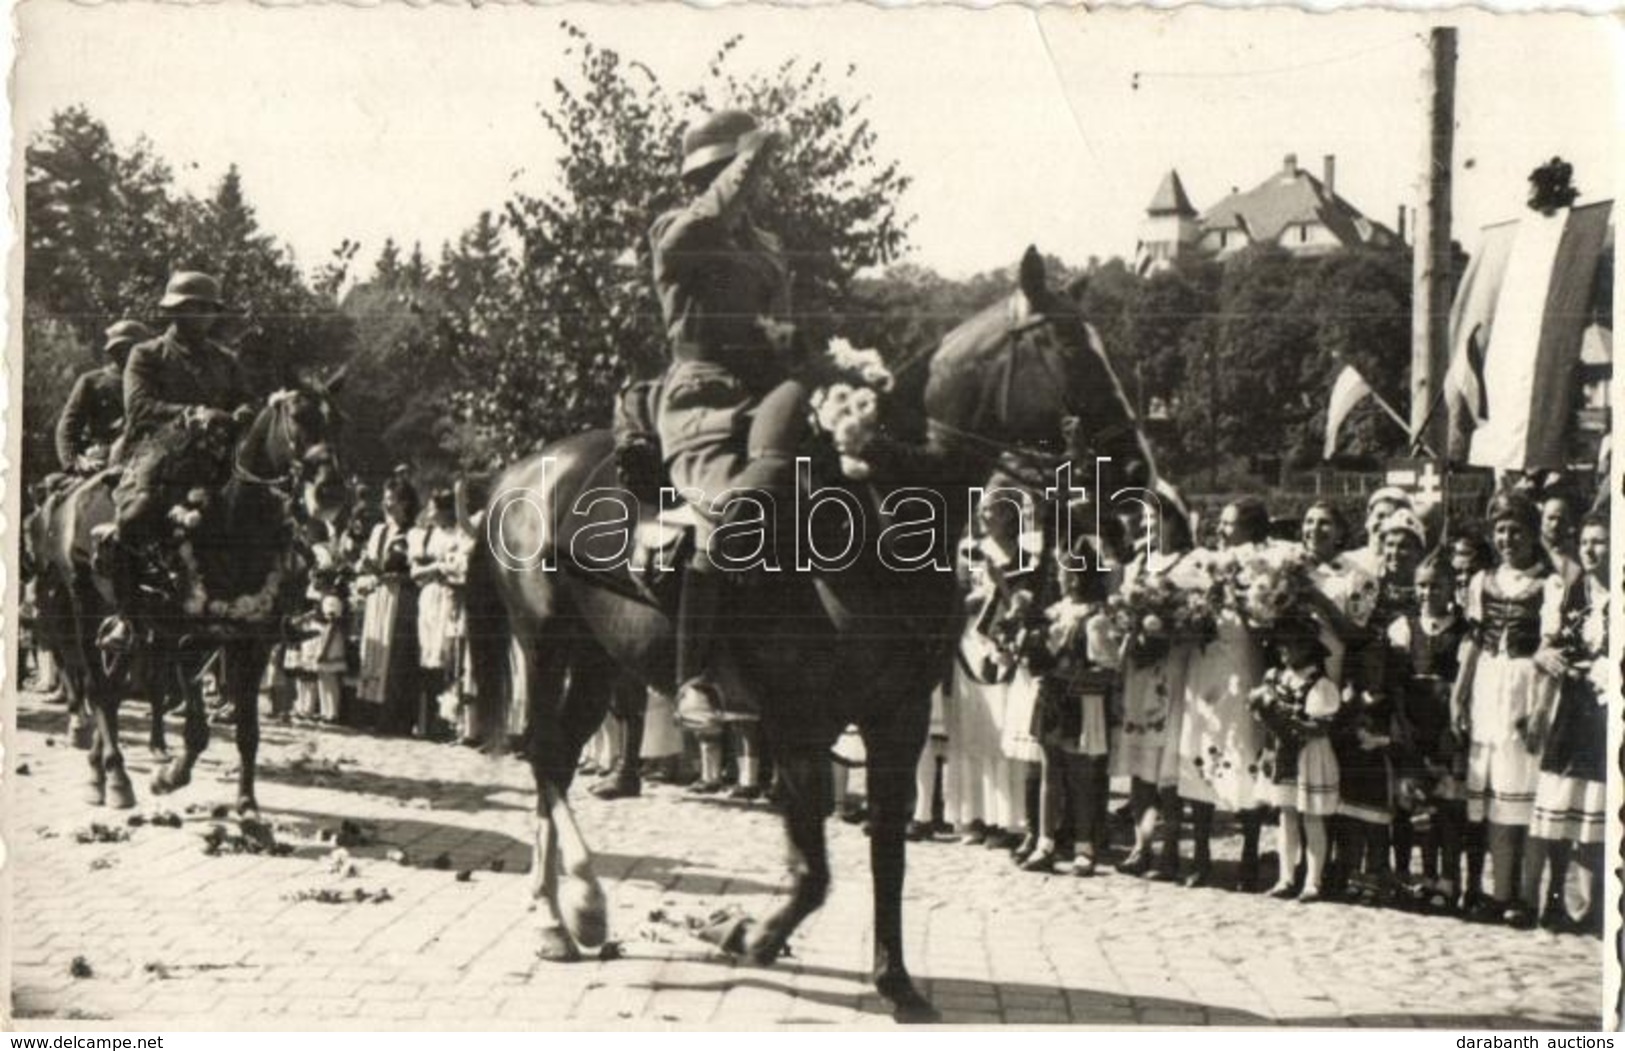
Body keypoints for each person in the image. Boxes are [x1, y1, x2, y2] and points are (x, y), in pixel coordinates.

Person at [648, 109, 812, 733]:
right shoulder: (678, 229)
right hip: (703, 396)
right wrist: (752, 153)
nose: (755, 187)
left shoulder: (767, 247)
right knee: (727, 512)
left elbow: (782, 324)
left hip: (767, 392)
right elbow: (704, 223)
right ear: (715, 175)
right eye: (742, 175)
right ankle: (693, 677)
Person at [97, 272, 255, 651]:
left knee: (270, 511)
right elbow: (139, 407)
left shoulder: (226, 360)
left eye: (208, 310)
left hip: (218, 461)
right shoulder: (147, 354)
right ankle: (126, 619)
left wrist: (246, 412)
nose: (203, 316)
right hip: (161, 457)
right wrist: (195, 413)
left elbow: (245, 398)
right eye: (194, 308)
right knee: (133, 520)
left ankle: (274, 613)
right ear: (175, 311)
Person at [1452, 492, 1557, 926]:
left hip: (1526, 684)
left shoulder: (1549, 584)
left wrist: (1539, 711)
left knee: (1523, 794)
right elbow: (1474, 642)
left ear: (1533, 534)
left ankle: (1524, 896)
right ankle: (1498, 892)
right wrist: (1459, 695)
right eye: (1500, 530)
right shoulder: (1483, 581)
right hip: (1488, 686)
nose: (1507, 538)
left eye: (1516, 530)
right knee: (1493, 794)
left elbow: (1551, 646)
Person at [1176, 497, 1270, 891]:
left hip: (1242, 667)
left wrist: (1237, 591)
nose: (1221, 529)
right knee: (1200, 751)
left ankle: (1249, 855)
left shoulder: (1263, 566)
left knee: (1244, 753)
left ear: (1250, 529)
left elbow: (1265, 619)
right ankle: (1200, 855)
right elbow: (1184, 615)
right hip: (1204, 667)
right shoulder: (1200, 562)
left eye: (1230, 523)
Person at [1522, 512, 1609, 933]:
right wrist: (1546, 657)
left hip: (1606, 714)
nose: (1594, 550)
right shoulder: (1575, 592)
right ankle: (1553, 899)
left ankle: (1594, 906)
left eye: (1603, 541)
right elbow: (1544, 648)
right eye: (1588, 542)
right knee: (1560, 812)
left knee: (1596, 812)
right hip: (1570, 713)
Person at [1111, 501, 1197, 881]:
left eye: (1156, 521)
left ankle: (1172, 851)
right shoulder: (1136, 566)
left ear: (1176, 524)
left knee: (1167, 767)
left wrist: (1167, 629)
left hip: (1173, 670)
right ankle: (1141, 844)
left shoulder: (1191, 564)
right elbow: (1121, 617)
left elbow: (1196, 620)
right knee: (1141, 766)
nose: (1149, 528)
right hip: (1139, 670)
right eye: (1144, 522)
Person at [1383, 553, 1469, 912]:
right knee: (1409, 804)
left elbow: (1462, 682)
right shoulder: (1403, 627)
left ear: (1451, 587)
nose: (1428, 592)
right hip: (1411, 725)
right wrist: (1401, 723)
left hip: (1445, 727)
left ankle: (1447, 881)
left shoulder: (1462, 630)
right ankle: (1409, 877)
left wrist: (1456, 726)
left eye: (1436, 585)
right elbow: (1395, 682)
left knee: (1446, 806)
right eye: (1421, 584)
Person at [1256, 616, 1342, 903]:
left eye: (1291, 644)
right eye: (1281, 644)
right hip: (1283, 753)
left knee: (1312, 817)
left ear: (1307, 647)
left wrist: (1288, 722)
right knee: (1286, 815)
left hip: (1310, 755)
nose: (1283, 649)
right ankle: (1285, 877)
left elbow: (1318, 726)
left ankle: (1313, 880)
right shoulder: (1274, 678)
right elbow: (1263, 717)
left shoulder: (1320, 684)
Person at [356, 471, 423, 735]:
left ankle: (394, 717)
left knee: (395, 657)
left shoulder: (413, 533)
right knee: (374, 653)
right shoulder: (379, 531)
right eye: (385, 499)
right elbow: (372, 563)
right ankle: (370, 711)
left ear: (405, 503)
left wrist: (399, 574)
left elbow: (413, 567)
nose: (387, 504)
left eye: (392, 499)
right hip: (378, 595)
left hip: (400, 598)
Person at [56, 320, 151, 474]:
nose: (125, 354)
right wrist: (74, 461)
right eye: (120, 349)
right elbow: (67, 427)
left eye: (131, 348)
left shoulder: (156, 382)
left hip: (147, 454)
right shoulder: (92, 382)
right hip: (104, 457)